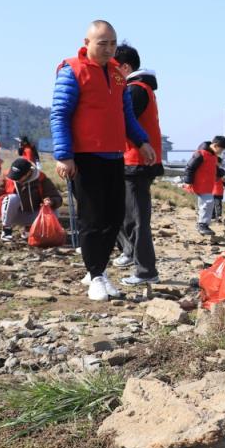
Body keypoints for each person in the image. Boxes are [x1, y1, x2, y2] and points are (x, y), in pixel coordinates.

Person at [50, 20, 154, 301]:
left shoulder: (118, 75)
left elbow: (126, 115)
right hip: (85, 156)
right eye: (102, 43)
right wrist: (64, 156)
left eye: (112, 43)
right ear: (87, 43)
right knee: (92, 219)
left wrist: (142, 141)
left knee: (115, 216)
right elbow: (59, 114)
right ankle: (95, 275)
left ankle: (99, 270)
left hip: (114, 154)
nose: (108, 48)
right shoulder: (72, 70)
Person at [110, 43, 165, 287]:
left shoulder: (135, 90)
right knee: (125, 214)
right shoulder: (141, 88)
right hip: (135, 162)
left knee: (137, 219)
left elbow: (123, 124)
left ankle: (145, 270)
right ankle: (132, 254)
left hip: (137, 162)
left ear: (124, 67)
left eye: (113, 66)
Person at [0, 158, 63, 242]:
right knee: (12, 198)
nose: (15, 179)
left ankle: (30, 229)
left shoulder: (41, 178)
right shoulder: (5, 177)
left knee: (55, 211)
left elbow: (57, 198)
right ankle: (6, 230)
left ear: (28, 173)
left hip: (34, 215)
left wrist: (51, 201)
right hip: (12, 215)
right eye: (13, 176)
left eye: (18, 177)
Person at [184, 135, 225, 236]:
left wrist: (221, 173)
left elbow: (214, 169)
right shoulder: (201, 154)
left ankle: (202, 224)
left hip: (207, 185)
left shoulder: (213, 157)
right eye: (221, 150)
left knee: (206, 203)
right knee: (207, 203)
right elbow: (189, 167)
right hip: (200, 184)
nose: (221, 153)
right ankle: (202, 224)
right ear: (215, 146)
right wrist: (188, 181)